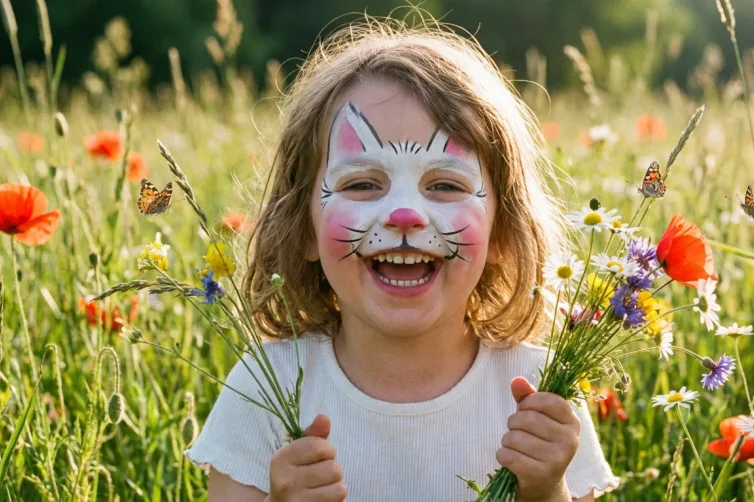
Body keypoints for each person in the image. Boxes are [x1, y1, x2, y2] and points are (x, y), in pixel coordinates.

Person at [186, 14, 618, 502]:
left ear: (502, 230)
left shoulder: (540, 392)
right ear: (303, 227)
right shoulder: (267, 386)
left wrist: (546, 490)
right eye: (363, 183)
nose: (406, 214)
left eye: (446, 185)